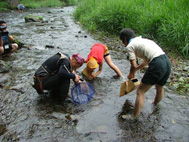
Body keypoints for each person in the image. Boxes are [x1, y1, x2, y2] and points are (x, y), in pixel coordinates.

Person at [119, 28, 171, 118]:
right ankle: (155, 105)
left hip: (157, 64)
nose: (123, 44)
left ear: (125, 38)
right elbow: (146, 61)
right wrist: (137, 69)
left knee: (140, 91)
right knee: (159, 88)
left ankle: (134, 116)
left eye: (122, 41)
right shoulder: (142, 40)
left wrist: (131, 74)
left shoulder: (130, 46)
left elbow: (133, 65)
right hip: (166, 62)